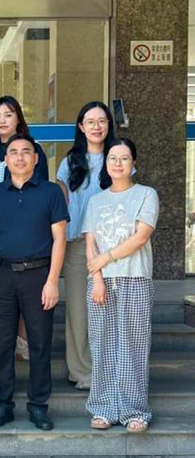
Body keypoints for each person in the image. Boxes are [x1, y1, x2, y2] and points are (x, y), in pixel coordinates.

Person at [0, 133, 68, 431]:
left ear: (36, 158)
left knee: (40, 343)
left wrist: (53, 281)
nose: (19, 157)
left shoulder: (51, 192)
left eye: (26, 152)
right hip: (2, 276)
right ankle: (3, 405)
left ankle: (38, 406)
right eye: (14, 152)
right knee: (1, 344)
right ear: (6, 159)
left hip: (39, 276)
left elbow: (59, 239)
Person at [83, 138, 159, 434]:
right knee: (101, 345)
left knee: (133, 346)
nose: (118, 163)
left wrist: (106, 258)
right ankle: (103, 408)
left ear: (134, 163)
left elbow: (141, 236)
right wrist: (97, 277)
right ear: (106, 164)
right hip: (100, 281)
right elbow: (90, 243)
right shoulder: (95, 201)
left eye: (124, 158)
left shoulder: (146, 194)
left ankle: (134, 411)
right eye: (112, 158)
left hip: (135, 278)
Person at [0, 96, 49, 359]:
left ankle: (23, 340)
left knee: (27, 291)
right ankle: (6, 342)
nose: (2, 121)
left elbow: (41, 192)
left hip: (27, 234)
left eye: (8, 115)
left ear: (18, 118)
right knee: (2, 290)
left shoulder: (34, 151)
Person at [56, 101, 115, 391]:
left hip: (113, 246)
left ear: (109, 125)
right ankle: (81, 371)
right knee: (79, 311)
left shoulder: (117, 156)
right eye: (90, 122)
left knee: (109, 309)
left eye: (101, 121)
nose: (96, 127)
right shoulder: (70, 163)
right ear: (81, 127)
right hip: (78, 244)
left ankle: (108, 369)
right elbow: (62, 205)